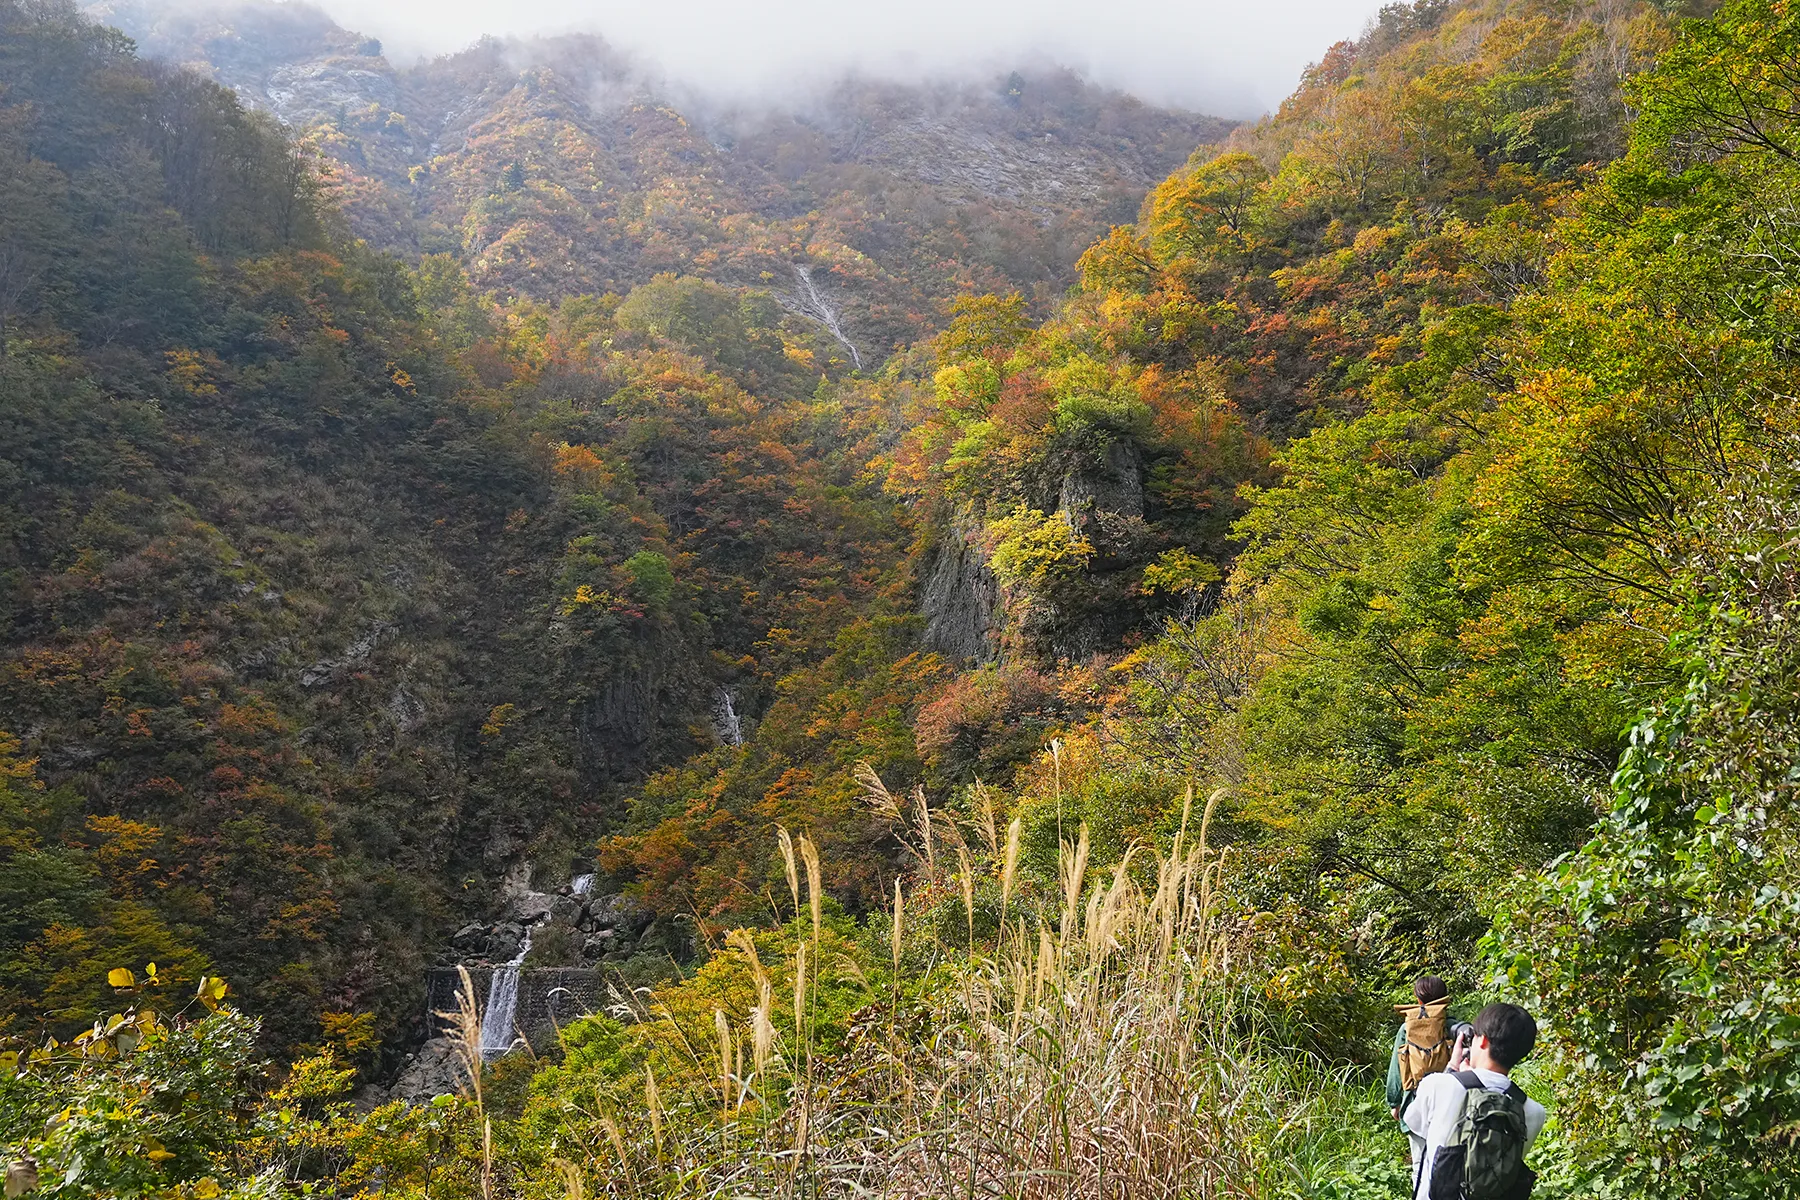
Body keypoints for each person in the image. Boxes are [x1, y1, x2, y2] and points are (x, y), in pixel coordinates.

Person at [1405, 1002, 1548, 1200]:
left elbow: (1414, 1123)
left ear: (1482, 1041)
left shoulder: (1439, 1085)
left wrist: (1452, 1069)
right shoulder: (1533, 1111)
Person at [1388, 976, 1473, 1170]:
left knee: (1420, 1163)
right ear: (1445, 999)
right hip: (1452, 1100)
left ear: (1418, 1000)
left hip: (1415, 1100)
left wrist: (1395, 1102)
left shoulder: (1407, 1028)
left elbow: (1397, 1065)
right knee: (1451, 1160)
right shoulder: (1454, 1027)